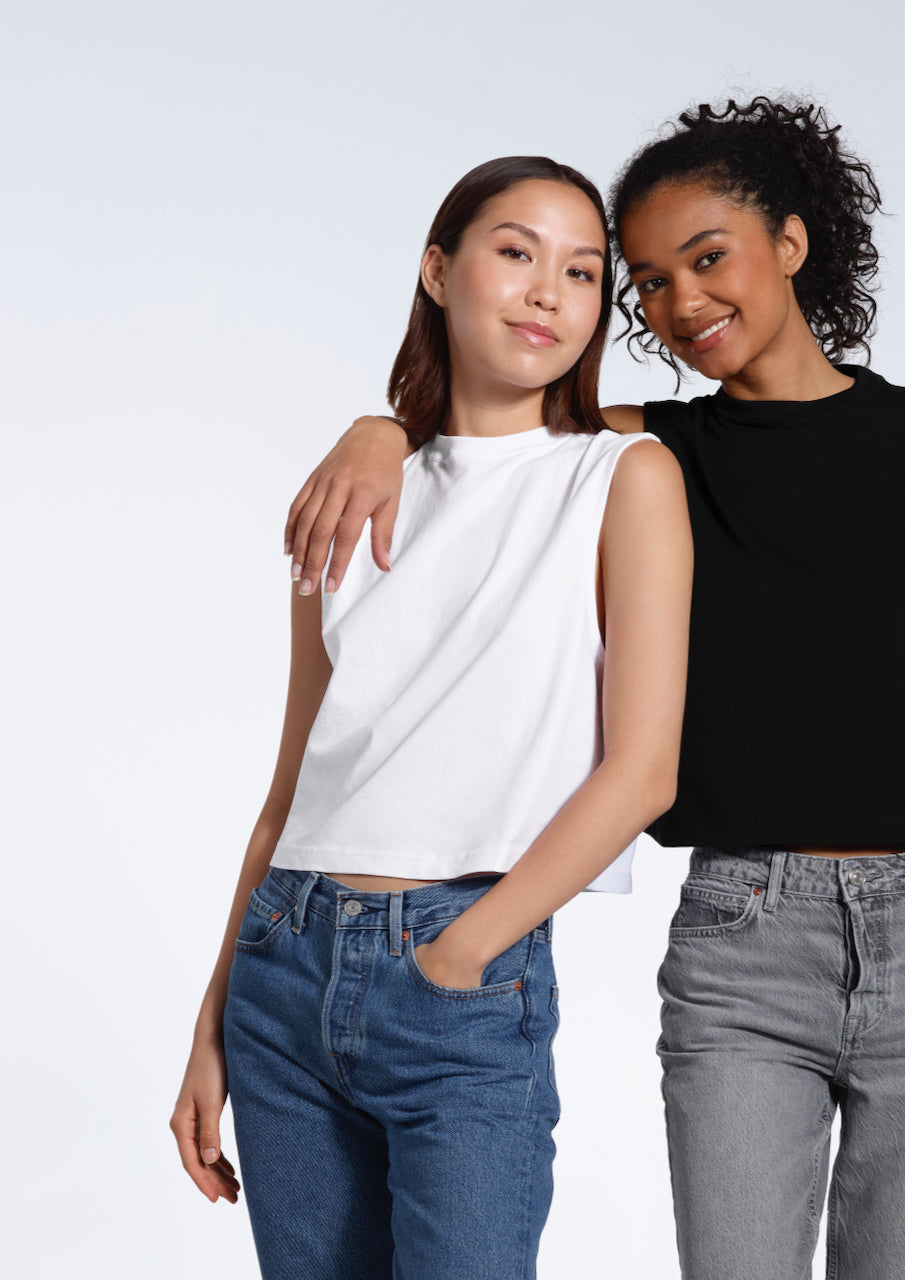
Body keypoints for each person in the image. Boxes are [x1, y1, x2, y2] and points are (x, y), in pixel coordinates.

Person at [281, 98, 905, 1280]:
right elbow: (490, 418)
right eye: (648, 284)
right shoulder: (635, 454)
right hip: (742, 941)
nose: (678, 304)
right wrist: (378, 428)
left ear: (793, 242)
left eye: (706, 258)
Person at [169, 155, 693, 1280]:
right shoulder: (349, 491)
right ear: (438, 268)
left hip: (462, 977)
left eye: (583, 271)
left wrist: (462, 951)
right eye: (515, 252)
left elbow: (643, 770)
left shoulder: (619, 477)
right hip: (282, 962)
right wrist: (212, 1018)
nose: (549, 290)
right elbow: (291, 786)